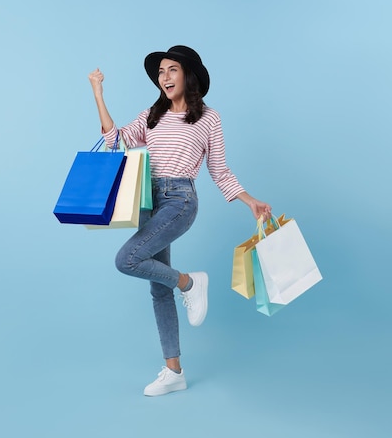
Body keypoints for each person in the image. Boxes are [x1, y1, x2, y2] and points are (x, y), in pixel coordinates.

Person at [88, 45, 271, 396]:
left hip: (180, 200)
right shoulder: (151, 116)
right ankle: (174, 372)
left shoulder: (209, 119)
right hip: (148, 201)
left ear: (187, 75)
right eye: (160, 72)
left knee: (127, 259)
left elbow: (218, 169)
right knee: (158, 289)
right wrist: (98, 93)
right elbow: (116, 141)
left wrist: (248, 200)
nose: (165, 77)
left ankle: (189, 282)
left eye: (172, 70)